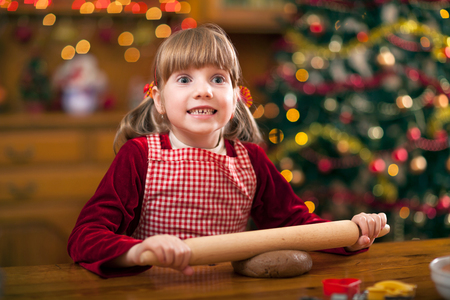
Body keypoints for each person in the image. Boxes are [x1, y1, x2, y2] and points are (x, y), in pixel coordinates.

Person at [67, 24, 387, 278]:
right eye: (184, 78)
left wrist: (350, 236)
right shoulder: (140, 156)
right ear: (159, 99)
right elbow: (86, 236)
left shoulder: (251, 161)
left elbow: (295, 224)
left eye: (218, 79)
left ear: (236, 98)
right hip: (155, 288)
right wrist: (138, 251)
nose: (204, 90)